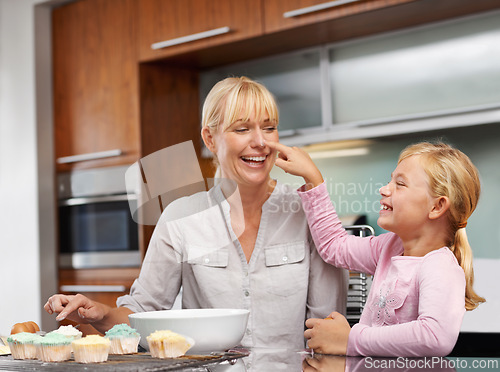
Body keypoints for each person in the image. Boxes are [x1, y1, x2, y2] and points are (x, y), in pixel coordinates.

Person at [45, 76, 348, 350]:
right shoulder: (180, 218)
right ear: (210, 138)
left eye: (269, 128)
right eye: (242, 128)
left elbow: (329, 328)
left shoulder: (309, 214)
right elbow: (144, 312)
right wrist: (101, 314)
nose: (260, 142)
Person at [267, 140, 485, 356]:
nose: (384, 189)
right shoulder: (389, 248)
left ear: (437, 206)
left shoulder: (439, 266)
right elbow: (335, 246)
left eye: (400, 184)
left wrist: (351, 339)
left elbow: (434, 337)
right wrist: (313, 179)